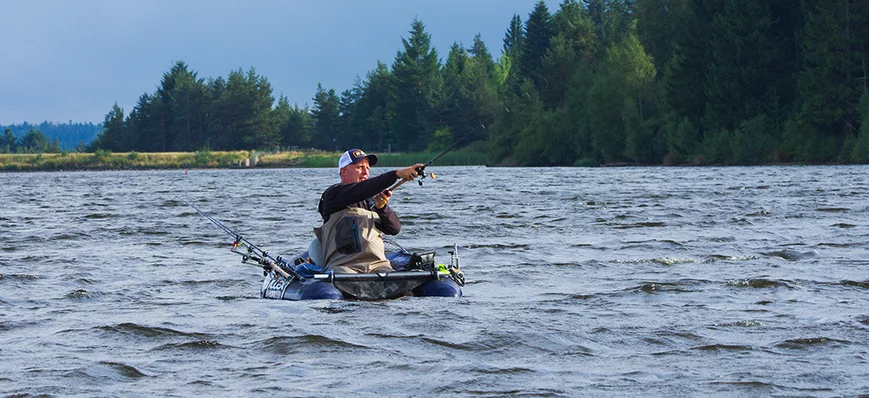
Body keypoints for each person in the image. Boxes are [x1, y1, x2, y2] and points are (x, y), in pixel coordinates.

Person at [312, 148, 423, 273]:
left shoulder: (371, 200)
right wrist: (396, 174)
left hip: (377, 265)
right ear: (344, 171)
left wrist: (382, 208)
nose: (365, 172)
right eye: (360, 167)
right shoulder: (333, 195)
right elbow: (361, 190)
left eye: (368, 168)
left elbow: (394, 229)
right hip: (343, 266)